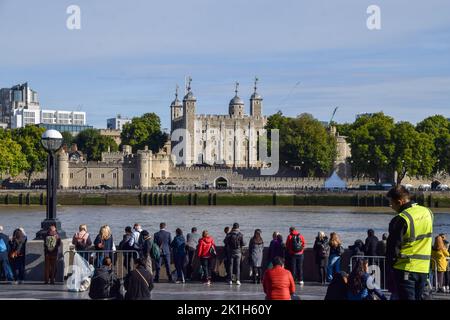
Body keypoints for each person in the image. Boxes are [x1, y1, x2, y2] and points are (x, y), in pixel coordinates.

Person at [386, 185, 433, 300]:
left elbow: (392, 249)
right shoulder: (428, 212)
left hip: (405, 268)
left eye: (392, 203)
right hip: (423, 268)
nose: (390, 206)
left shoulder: (401, 218)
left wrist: (391, 267)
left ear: (400, 202)